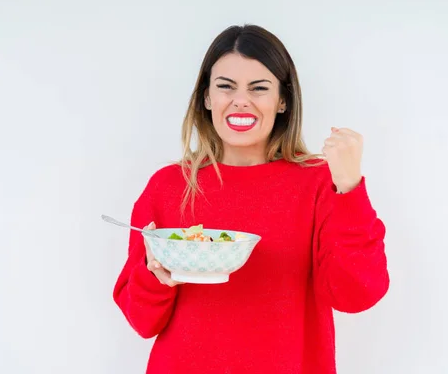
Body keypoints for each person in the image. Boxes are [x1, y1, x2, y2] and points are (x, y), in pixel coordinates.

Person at [112, 24, 390, 374]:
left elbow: (356, 295)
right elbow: (141, 321)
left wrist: (349, 186)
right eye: (225, 87)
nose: (240, 100)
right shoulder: (168, 186)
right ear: (207, 98)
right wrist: (156, 277)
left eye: (259, 88)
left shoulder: (320, 181)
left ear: (283, 100)